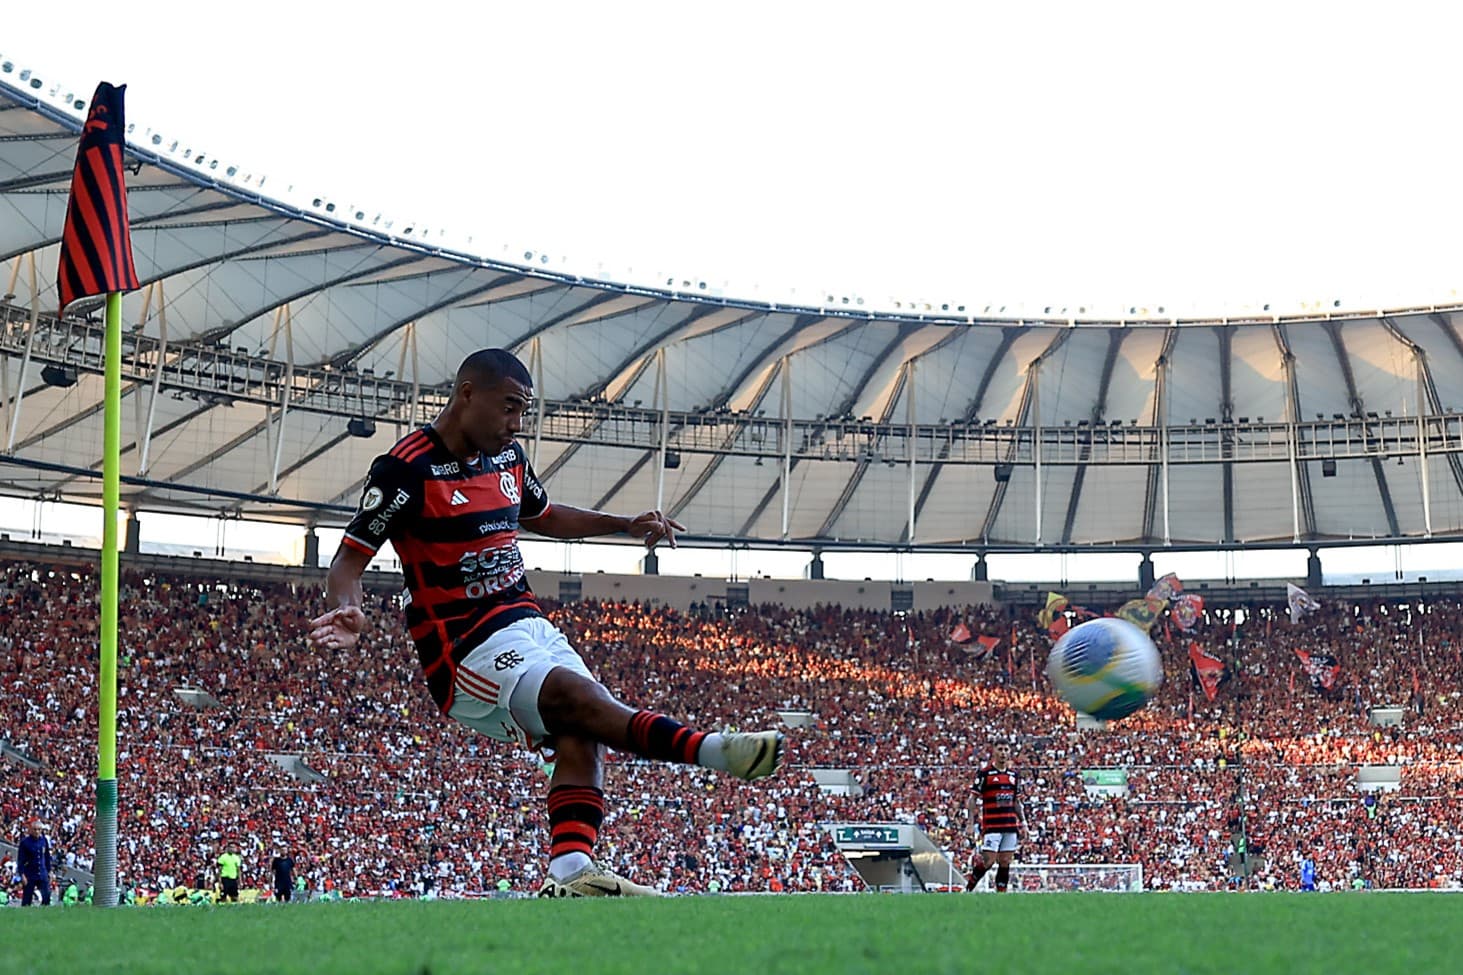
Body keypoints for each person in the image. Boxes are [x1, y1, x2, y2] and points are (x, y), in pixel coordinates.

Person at [308, 349, 785, 899]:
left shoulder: (507, 457)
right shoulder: (405, 469)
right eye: (509, 408)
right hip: (463, 648)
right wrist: (349, 608)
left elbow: (545, 514)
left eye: (522, 412)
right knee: (580, 699)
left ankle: (570, 872)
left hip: (528, 624)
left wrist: (623, 525)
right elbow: (349, 558)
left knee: (580, 728)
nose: (515, 424)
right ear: (467, 393)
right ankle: (711, 751)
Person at [964, 741, 1025, 893]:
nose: (1003, 752)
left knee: (1005, 861)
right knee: (988, 861)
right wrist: (970, 823)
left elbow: (1016, 802)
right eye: (1000, 749)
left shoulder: (1013, 776)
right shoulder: (985, 773)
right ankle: (968, 889)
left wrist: (1024, 823)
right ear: (994, 752)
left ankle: (1001, 896)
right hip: (992, 825)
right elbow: (972, 799)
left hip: (1010, 825)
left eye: (1006, 749)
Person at [17, 821, 52, 907]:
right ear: (31, 830)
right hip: (30, 873)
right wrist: (22, 874)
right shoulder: (25, 842)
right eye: (35, 829)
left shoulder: (44, 840)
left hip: (42, 872)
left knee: (46, 894)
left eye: (39, 829)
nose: (37, 832)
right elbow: (20, 860)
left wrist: (50, 871)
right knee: (27, 898)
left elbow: (47, 856)